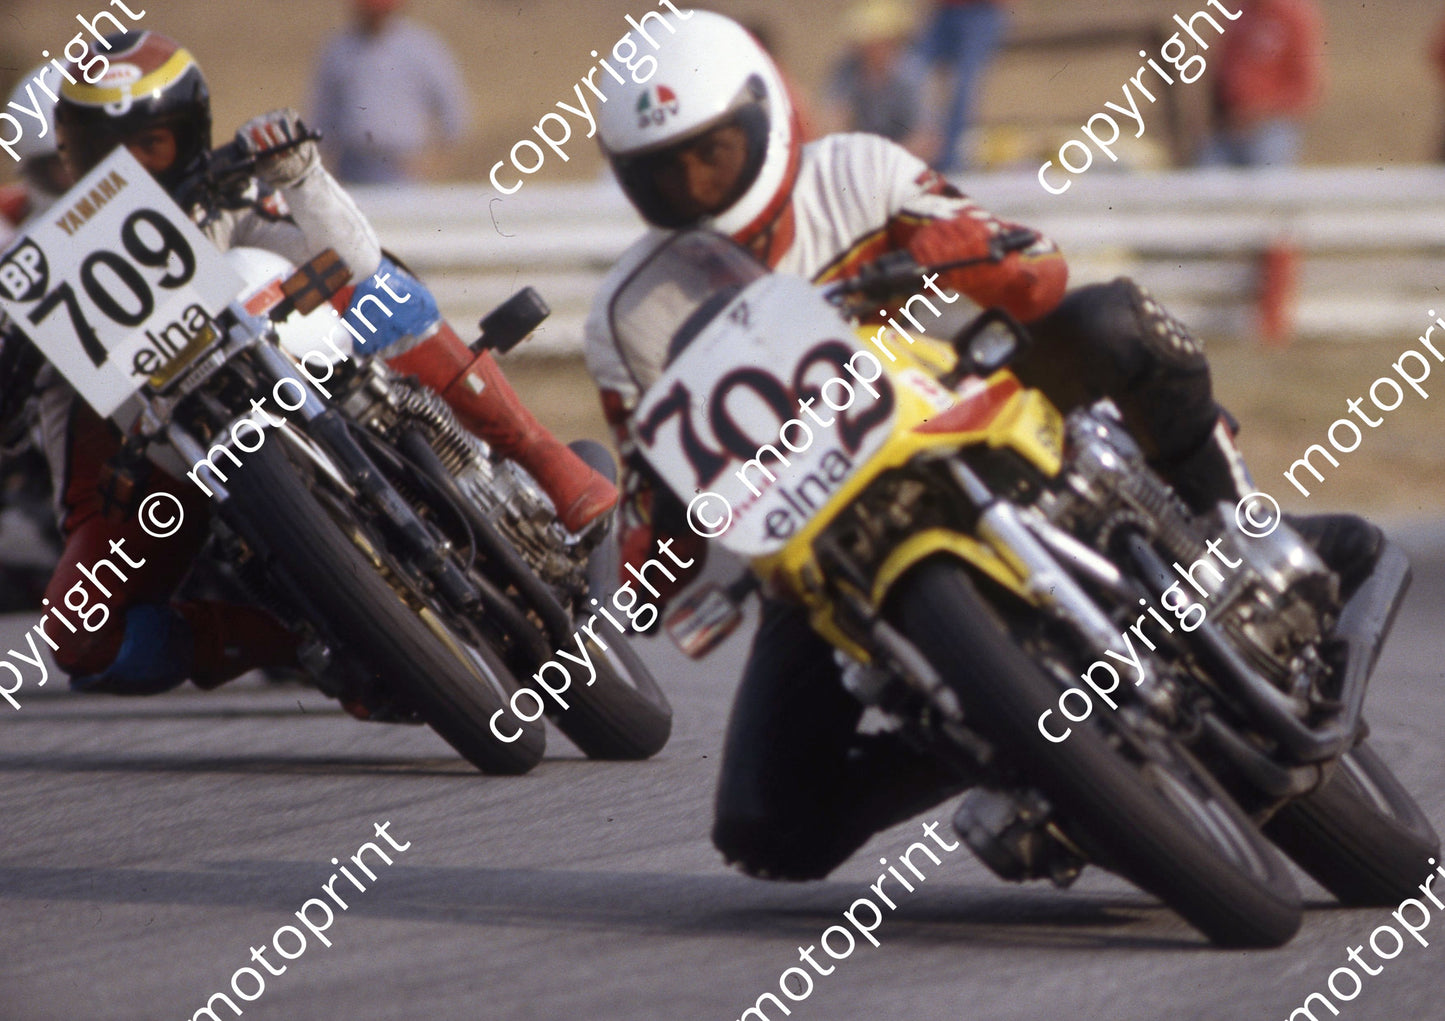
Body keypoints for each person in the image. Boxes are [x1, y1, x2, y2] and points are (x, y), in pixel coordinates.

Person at [581, 10, 1311, 881]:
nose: (695, 183)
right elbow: (652, 498)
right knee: (765, 825)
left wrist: (961, 250)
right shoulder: (628, 314)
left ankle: (1237, 526)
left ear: (764, 116)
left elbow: (1033, 268)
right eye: (663, 171)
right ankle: (1001, 744)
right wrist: (641, 563)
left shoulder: (855, 170)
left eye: (713, 152)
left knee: (1112, 320)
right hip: (818, 547)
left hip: (960, 409)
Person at [13, 29, 612, 697]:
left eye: (149, 146)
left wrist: (301, 175)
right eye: (99, 157)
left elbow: (351, 260)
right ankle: (302, 637)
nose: (128, 174)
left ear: (190, 134)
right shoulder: (29, 269)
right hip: (148, 449)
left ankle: (537, 452)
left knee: (379, 288)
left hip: (283, 353)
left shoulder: (227, 191)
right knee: (79, 636)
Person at [308, 0, 470, 184]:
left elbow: (453, 111)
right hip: (351, 164)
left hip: (403, 167)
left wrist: (432, 164)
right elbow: (321, 113)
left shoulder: (422, 47)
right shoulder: (339, 49)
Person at [1196, 0, 1324, 168]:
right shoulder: (1238, 12)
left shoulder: (1293, 14)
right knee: (1204, 172)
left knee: (1266, 171)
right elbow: (1220, 71)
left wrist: (1259, 113)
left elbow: (1305, 86)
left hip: (1271, 126)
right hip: (1229, 124)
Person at [819, 0, 932, 158]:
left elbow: (926, 138)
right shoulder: (847, 70)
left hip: (900, 158)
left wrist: (887, 160)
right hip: (860, 154)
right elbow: (832, 119)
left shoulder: (911, 76)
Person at [914, 0, 1015, 173]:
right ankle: (923, 150)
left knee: (963, 87)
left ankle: (949, 158)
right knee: (912, 73)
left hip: (982, 12)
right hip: (945, 12)